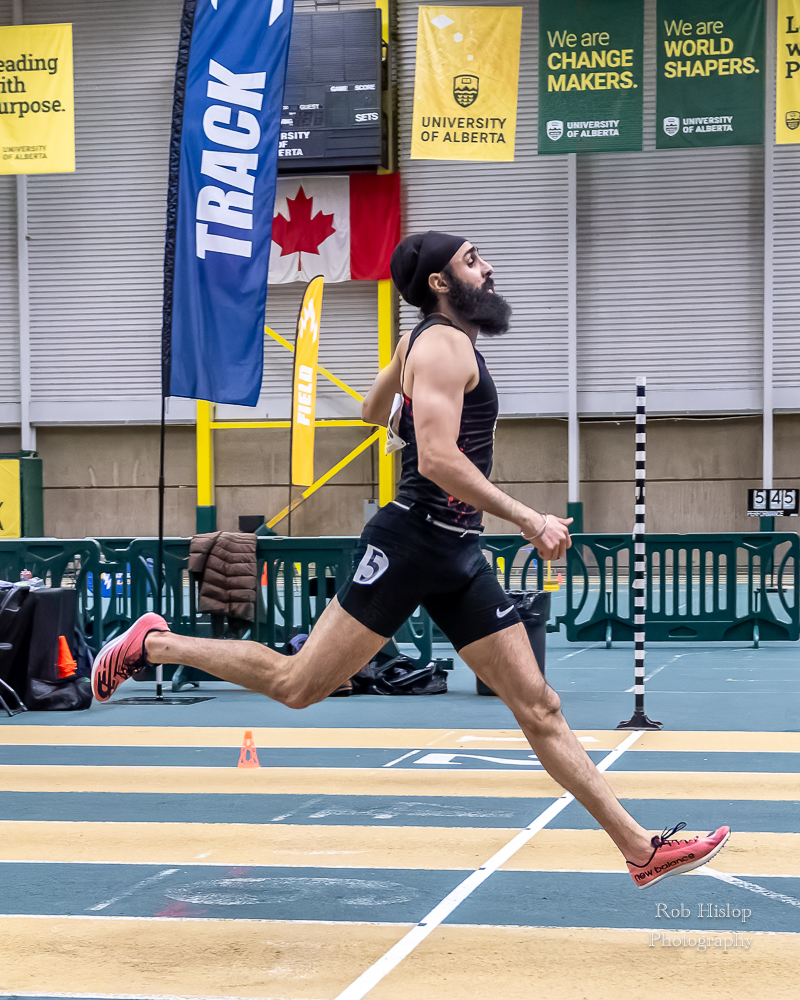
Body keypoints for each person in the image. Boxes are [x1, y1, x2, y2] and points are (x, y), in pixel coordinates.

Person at [92, 231, 729, 888]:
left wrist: (408, 399)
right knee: (296, 685)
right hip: (410, 545)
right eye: (473, 260)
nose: (489, 268)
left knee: (539, 705)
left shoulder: (420, 344)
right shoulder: (444, 345)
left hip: (456, 553)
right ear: (439, 283)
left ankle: (639, 850)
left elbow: (373, 410)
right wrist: (528, 517)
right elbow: (438, 459)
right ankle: (156, 645)